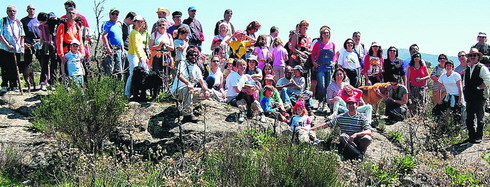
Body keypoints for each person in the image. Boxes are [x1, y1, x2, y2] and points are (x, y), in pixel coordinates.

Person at [171, 47, 210, 123]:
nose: (194, 57)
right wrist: (188, 83)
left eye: (195, 55)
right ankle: (187, 115)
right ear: (188, 56)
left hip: (189, 91)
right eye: (191, 55)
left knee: (209, 92)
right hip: (178, 91)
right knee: (188, 89)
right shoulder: (182, 63)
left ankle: (191, 105)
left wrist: (206, 91)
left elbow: (202, 82)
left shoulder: (196, 68)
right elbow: (179, 75)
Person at [462, 48, 490, 143]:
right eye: (471, 55)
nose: (472, 57)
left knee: (480, 117)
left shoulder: (482, 68)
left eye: (474, 55)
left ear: (478, 57)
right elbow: (465, 83)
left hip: (479, 97)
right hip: (470, 97)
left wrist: (479, 88)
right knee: (469, 117)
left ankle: (478, 136)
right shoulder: (467, 69)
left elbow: (488, 80)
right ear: (469, 57)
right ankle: (471, 136)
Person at [0, 5, 25, 92]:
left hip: (16, 48)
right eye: (10, 11)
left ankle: (14, 85)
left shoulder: (19, 22)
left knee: (15, 67)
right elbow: (0, 35)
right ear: (7, 12)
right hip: (5, 48)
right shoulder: (3, 21)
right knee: (5, 67)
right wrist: (7, 45)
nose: (12, 13)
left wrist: (21, 46)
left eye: (14, 11)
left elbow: (22, 35)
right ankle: (4, 85)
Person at [311, 25, 336, 108]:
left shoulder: (332, 44)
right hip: (320, 67)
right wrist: (314, 62)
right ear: (321, 35)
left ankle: (326, 102)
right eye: (325, 33)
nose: (326, 34)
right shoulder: (318, 44)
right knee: (321, 84)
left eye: (328, 33)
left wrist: (334, 62)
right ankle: (320, 101)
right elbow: (313, 54)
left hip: (329, 67)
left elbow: (334, 55)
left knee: (328, 85)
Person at [56, 6, 85, 75]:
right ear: (66, 14)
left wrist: (82, 54)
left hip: (75, 52)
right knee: (66, 72)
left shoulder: (77, 26)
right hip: (66, 52)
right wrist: (61, 55)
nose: (71, 15)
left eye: (73, 13)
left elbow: (80, 41)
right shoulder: (62, 26)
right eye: (69, 13)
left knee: (78, 72)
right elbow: (59, 41)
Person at [124, 15, 148, 97]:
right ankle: (127, 93)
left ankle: (142, 92)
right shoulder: (133, 33)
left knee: (143, 73)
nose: (140, 23)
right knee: (132, 74)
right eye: (138, 22)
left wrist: (144, 56)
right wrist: (140, 57)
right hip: (133, 55)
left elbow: (141, 47)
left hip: (139, 55)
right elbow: (136, 46)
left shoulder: (138, 33)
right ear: (134, 22)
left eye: (141, 22)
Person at [20, 4, 39, 90]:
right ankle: (28, 84)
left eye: (33, 9)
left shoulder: (38, 19)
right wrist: (23, 44)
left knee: (42, 63)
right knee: (27, 65)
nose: (31, 10)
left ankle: (42, 83)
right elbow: (20, 34)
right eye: (30, 9)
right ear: (27, 10)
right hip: (27, 45)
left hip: (39, 44)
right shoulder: (23, 21)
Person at [101, 8, 124, 79]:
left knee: (119, 71)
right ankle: (108, 88)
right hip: (111, 49)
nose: (115, 16)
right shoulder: (107, 24)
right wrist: (108, 49)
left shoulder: (119, 25)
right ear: (109, 15)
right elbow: (104, 36)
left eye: (116, 14)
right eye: (113, 14)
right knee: (109, 70)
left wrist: (123, 50)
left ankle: (118, 88)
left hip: (118, 50)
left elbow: (121, 38)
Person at [37, 12, 56, 90]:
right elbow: (41, 37)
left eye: (42, 21)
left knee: (53, 64)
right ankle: (43, 82)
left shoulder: (52, 25)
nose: (41, 23)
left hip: (54, 45)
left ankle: (53, 82)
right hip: (45, 45)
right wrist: (40, 46)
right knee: (44, 64)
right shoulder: (41, 26)